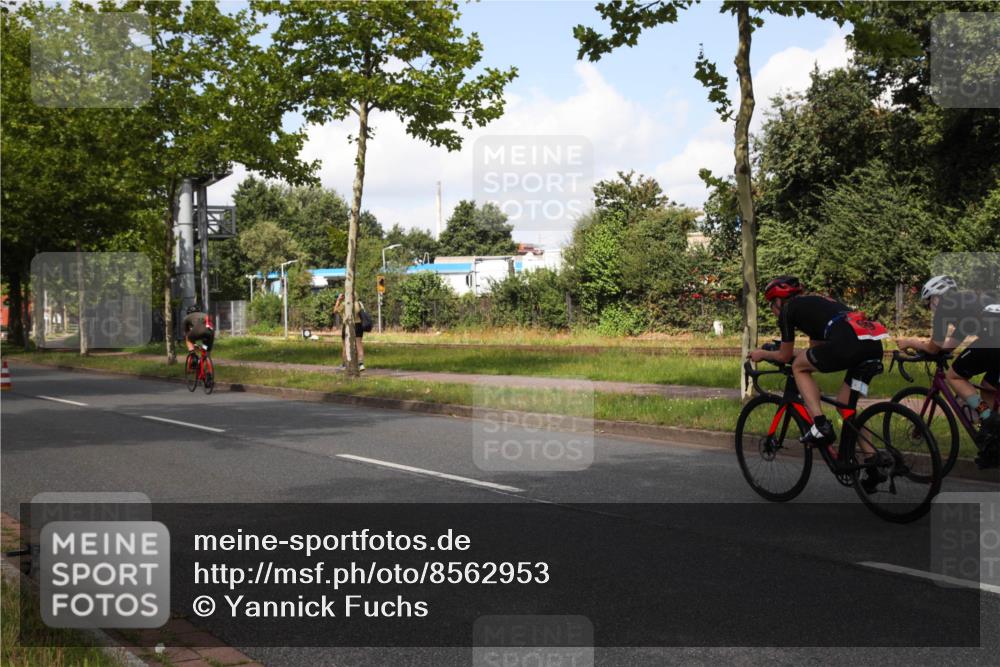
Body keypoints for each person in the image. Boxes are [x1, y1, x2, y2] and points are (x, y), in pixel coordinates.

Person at [748, 277, 890, 489]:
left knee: (798, 368)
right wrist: (775, 352)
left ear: (779, 301)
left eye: (771, 304)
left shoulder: (789, 310)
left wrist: (762, 354)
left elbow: (787, 357)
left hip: (847, 347)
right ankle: (873, 464)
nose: (772, 310)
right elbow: (813, 352)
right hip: (872, 350)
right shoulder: (817, 305)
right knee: (846, 405)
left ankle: (821, 424)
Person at [895, 275, 999, 468]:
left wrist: (910, 342)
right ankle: (993, 442)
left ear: (936, 297)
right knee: (987, 387)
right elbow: (950, 345)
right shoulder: (966, 302)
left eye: (929, 303)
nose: (930, 308)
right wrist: (925, 347)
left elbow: (935, 347)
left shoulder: (945, 306)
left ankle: (987, 417)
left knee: (954, 375)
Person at [334, 292, 365, 371]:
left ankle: (344, 364)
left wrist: (338, 300)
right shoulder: (359, 304)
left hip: (347, 325)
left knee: (345, 345)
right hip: (358, 325)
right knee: (359, 344)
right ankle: (361, 364)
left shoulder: (345, 304)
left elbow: (335, 311)